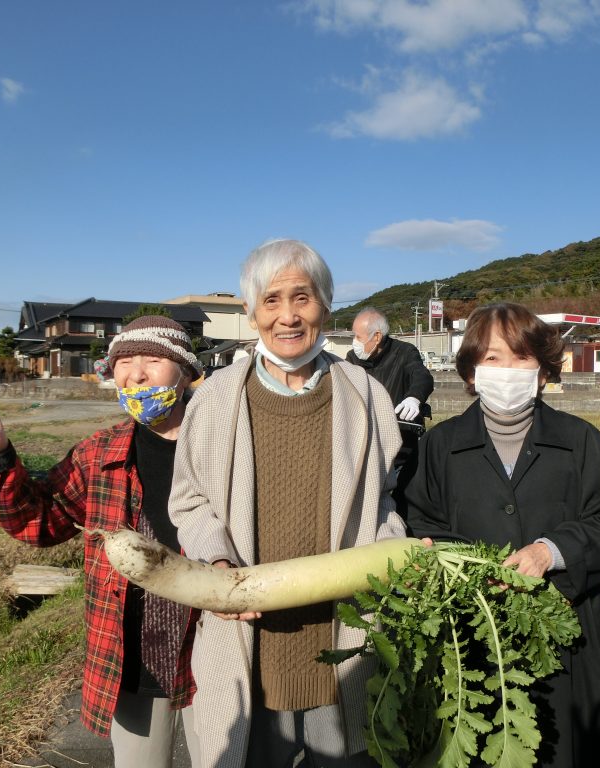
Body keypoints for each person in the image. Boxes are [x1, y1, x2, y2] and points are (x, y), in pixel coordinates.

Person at [168, 238, 407, 768]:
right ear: (251, 311)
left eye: (303, 297)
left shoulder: (366, 395)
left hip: (345, 635)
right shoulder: (215, 399)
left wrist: (394, 553)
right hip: (249, 637)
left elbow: (384, 497)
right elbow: (189, 501)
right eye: (271, 300)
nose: (288, 316)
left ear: (325, 304)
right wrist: (217, 563)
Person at [0, 316, 203, 768]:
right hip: (134, 655)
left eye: (153, 360)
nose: (137, 374)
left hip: (212, 648)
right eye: (125, 362)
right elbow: (42, 522)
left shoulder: (223, 445)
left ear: (186, 372)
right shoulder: (99, 453)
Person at [404, 301, 600, 768]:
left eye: (522, 357)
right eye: (493, 358)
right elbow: (419, 522)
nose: (507, 370)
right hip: (469, 638)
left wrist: (551, 552)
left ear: (544, 371)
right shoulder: (439, 446)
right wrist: (460, 570)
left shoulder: (580, 441)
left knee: (562, 749)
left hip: (564, 639)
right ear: (472, 372)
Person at [346, 307, 434, 517]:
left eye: (358, 337)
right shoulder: (352, 358)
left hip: (400, 443)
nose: (354, 343)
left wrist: (414, 397)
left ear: (376, 337)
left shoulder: (404, 352)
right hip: (364, 442)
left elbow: (421, 376)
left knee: (399, 500)